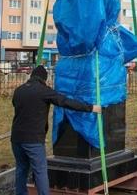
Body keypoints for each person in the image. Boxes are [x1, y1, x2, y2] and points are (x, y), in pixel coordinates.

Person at [11, 65, 101, 195]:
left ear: (31, 77)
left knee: (21, 168)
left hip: (16, 139)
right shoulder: (44, 91)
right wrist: (91, 108)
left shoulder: (19, 90)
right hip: (33, 140)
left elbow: (16, 105)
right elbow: (66, 102)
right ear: (44, 79)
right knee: (40, 171)